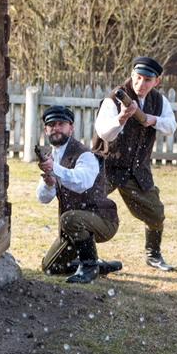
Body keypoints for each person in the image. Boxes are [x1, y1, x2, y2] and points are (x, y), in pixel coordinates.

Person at [92, 56, 177, 271]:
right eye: (137, 78)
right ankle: (82, 256)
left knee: (156, 214)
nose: (141, 83)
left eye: (147, 80)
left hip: (136, 169)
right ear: (132, 75)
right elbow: (103, 133)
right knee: (86, 207)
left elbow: (171, 126)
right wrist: (121, 118)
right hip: (105, 166)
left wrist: (153, 120)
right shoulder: (114, 98)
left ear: (156, 81)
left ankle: (153, 255)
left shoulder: (159, 101)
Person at [36, 106, 123, 284]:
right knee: (50, 267)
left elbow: (83, 183)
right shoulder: (51, 157)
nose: (56, 128)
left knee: (69, 218)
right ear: (46, 129)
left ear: (71, 128)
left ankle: (89, 268)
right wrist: (49, 183)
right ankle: (100, 265)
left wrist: (55, 169)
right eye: (51, 125)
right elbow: (42, 198)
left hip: (102, 219)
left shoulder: (84, 154)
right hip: (74, 225)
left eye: (61, 124)